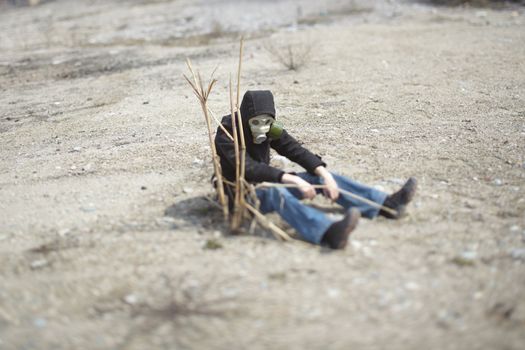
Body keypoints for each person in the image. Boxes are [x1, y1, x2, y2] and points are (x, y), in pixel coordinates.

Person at [215, 90, 416, 249]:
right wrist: (292, 179)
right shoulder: (227, 131)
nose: (262, 127)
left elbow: (294, 150)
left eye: (267, 121)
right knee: (277, 193)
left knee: (317, 178)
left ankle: (386, 205)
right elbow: (247, 168)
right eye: (256, 123)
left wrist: (323, 173)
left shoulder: (270, 127)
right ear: (245, 118)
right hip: (240, 194)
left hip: (267, 182)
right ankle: (327, 232)